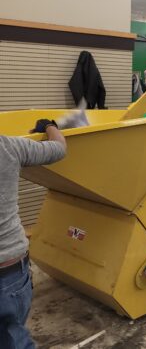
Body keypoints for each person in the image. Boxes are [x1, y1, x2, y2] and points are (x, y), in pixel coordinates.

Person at [0, 119, 66, 349]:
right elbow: (59, 149)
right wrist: (49, 127)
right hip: (9, 274)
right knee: (13, 339)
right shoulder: (9, 147)